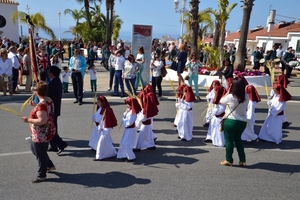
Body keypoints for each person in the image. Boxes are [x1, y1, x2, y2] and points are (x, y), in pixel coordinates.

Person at [21, 81, 56, 183]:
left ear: (37, 92)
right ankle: (49, 165)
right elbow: (45, 111)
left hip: (41, 132)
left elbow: (42, 120)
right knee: (35, 149)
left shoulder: (42, 105)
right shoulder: (48, 100)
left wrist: (28, 120)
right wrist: (35, 105)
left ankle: (42, 175)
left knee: (39, 152)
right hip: (46, 130)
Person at [219, 77, 249, 166]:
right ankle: (242, 160)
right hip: (242, 121)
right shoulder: (246, 96)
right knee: (238, 140)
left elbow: (221, 101)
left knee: (229, 141)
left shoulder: (230, 96)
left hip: (231, 121)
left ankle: (229, 159)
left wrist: (228, 91)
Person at [48, 66, 68, 154]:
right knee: (51, 128)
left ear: (52, 73)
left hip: (52, 109)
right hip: (53, 108)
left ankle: (61, 144)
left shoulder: (54, 83)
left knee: (51, 128)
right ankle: (53, 145)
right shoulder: (56, 81)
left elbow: (47, 94)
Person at [90, 96, 118, 160]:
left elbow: (106, 121)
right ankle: (110, 152)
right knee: (105, 143)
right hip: (101, 129)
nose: (98, 104)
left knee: (102, 143)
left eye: (99, 102)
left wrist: (103, 129)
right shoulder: (100, 109)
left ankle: (99, 156)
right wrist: (94, 117)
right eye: (97, 102)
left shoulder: (106, 110)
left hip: (104, 130)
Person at [117, 97, 142, 161]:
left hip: (130, 130)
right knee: (123, 142)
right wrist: (126, 114)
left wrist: (123, 120)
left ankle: (131, 156)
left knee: (126, 143)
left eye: (128, 104)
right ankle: (124, 154)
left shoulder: (132, 113)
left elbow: (129, 122)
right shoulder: (130, 111)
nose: (126, 105)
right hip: (128, 130)